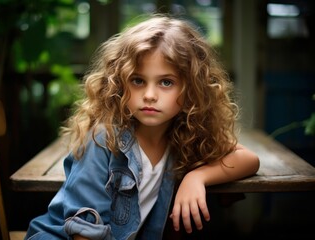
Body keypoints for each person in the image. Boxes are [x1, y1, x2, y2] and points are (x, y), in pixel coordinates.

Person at [25, 14, 260, 240]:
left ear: (192, 91)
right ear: (118, 83)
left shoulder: (182, 136)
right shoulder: (103, 139)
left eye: (166, 82)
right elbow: (83, 231)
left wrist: (197, 177)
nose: (149, 95)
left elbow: (248, 159)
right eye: (138, 81)